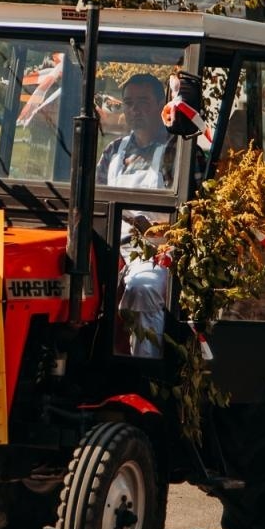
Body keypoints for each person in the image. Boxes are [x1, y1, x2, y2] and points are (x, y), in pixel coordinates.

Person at [96, 74, 174, 357]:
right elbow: (96, 203)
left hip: (159, 252)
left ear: (160, 105)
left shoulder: (177, 152)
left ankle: (144, 374)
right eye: (129, 103)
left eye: (143, 102)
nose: (135, 110)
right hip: (113, 247)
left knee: (143, 287)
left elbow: (195, 214)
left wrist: (156, 229)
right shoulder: (113, 152)